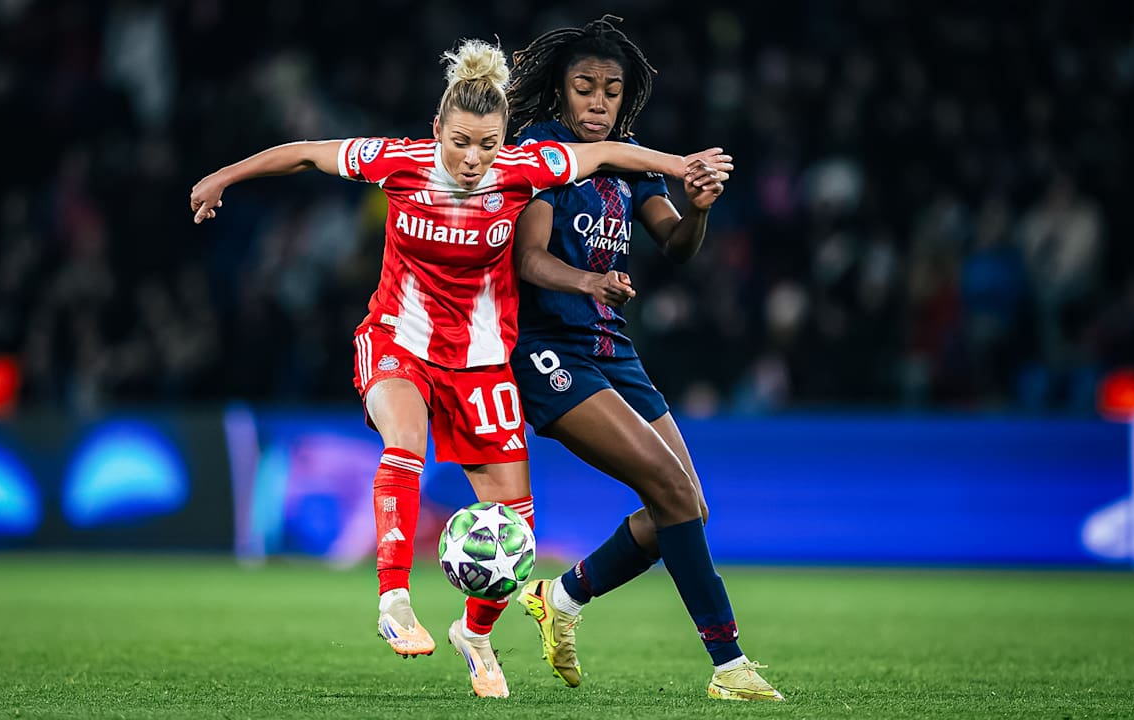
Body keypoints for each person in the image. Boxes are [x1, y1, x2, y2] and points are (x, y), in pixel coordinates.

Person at [190, 37, 727, 699]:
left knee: (516, 526)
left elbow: (613, 152)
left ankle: (475, 634)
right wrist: (222, 177)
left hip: (479, 364)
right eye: (462, 142)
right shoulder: (397, 161)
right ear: (436, 131)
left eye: (489, 144)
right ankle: (394, 602)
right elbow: (303, 153)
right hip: (398, 342)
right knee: (405, 444)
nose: (474, 159)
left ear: (508, 140)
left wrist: (683, 166)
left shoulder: (527, 167)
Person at [505, 17, 783, 701]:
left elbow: (677, 244)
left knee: (685, 504)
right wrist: (589, 282)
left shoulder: (627, 159)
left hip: (612, 348)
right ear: (560, 94)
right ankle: (729, 665)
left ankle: (562, 597)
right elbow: (529, 259)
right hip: (548, 348)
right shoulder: (541, 152)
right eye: (584, 89)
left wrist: (698, 209)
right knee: (669, 489)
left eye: (610, 91)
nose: (597, 103)